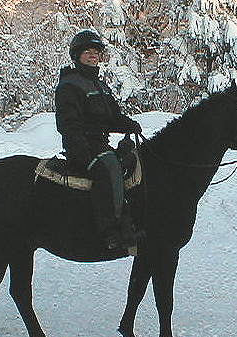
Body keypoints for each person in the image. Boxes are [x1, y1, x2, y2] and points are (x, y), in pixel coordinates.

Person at [55, 30, 142, 251]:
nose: (93, 55)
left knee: (132, 160)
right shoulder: (70, 85)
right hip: (81, 145)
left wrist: (128, 125)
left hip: (100, 143)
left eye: (96, 52)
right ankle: (111, 229)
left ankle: (133, 215)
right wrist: (83, 153)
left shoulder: (100, 86)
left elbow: (111, 117)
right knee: (109, 167)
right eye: (88, 52)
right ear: (77, 56)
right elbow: (68, 125)